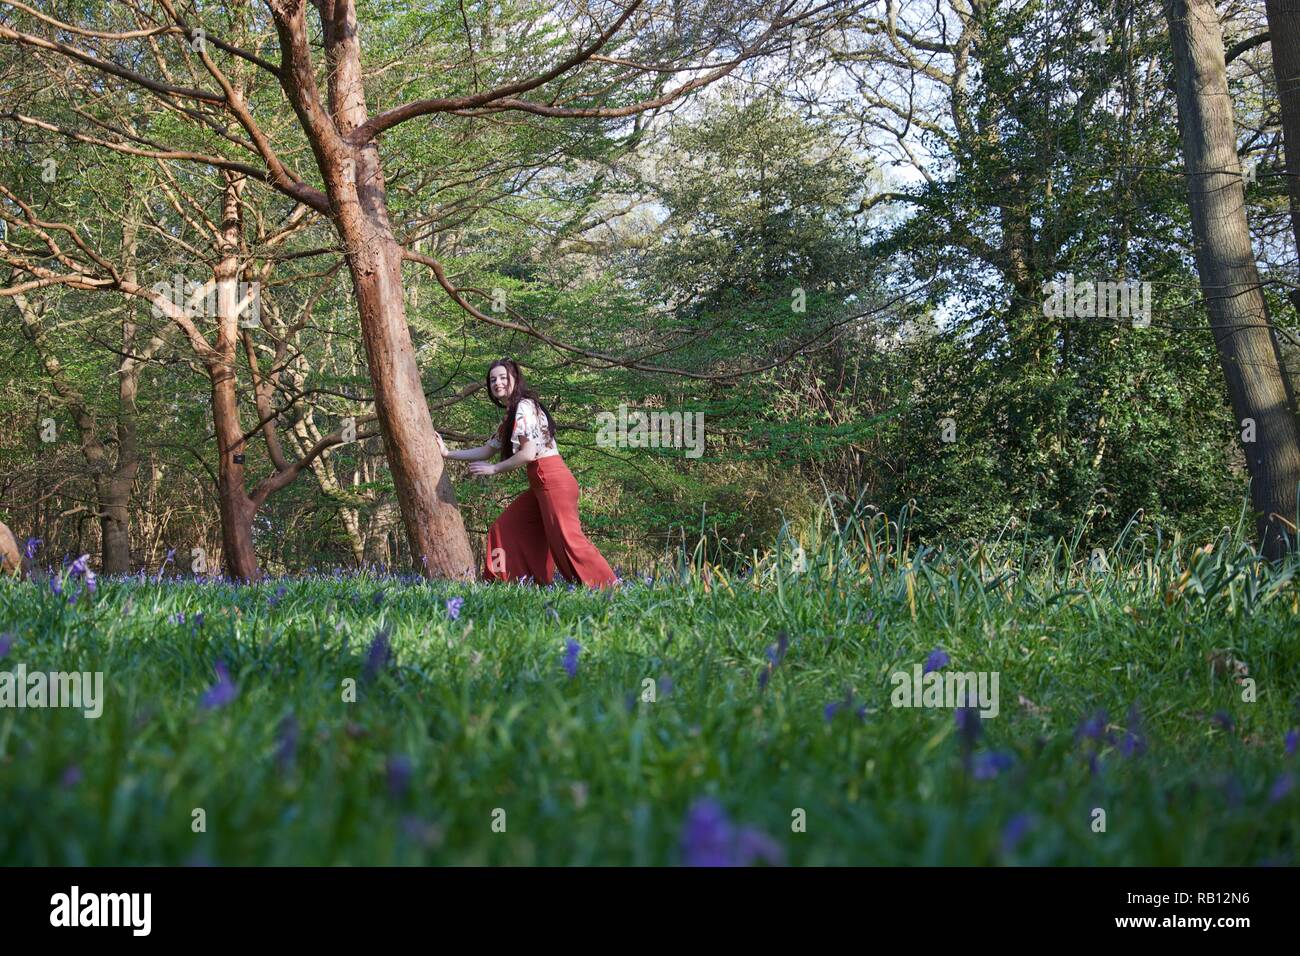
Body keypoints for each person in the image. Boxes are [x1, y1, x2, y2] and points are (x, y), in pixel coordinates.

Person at [435, 359, 618, 589]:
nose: (497, 383)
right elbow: (487, 450)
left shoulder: (524, 406)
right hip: (541, 483)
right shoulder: (512, 415)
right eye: (492, 380)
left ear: (515, 379)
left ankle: (610, 587)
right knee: (505, 527)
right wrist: (447, 453)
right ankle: (516, 584)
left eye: (503, 377)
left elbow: (528, 453)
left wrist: (493, 469)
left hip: (551, 478)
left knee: (568, 539)